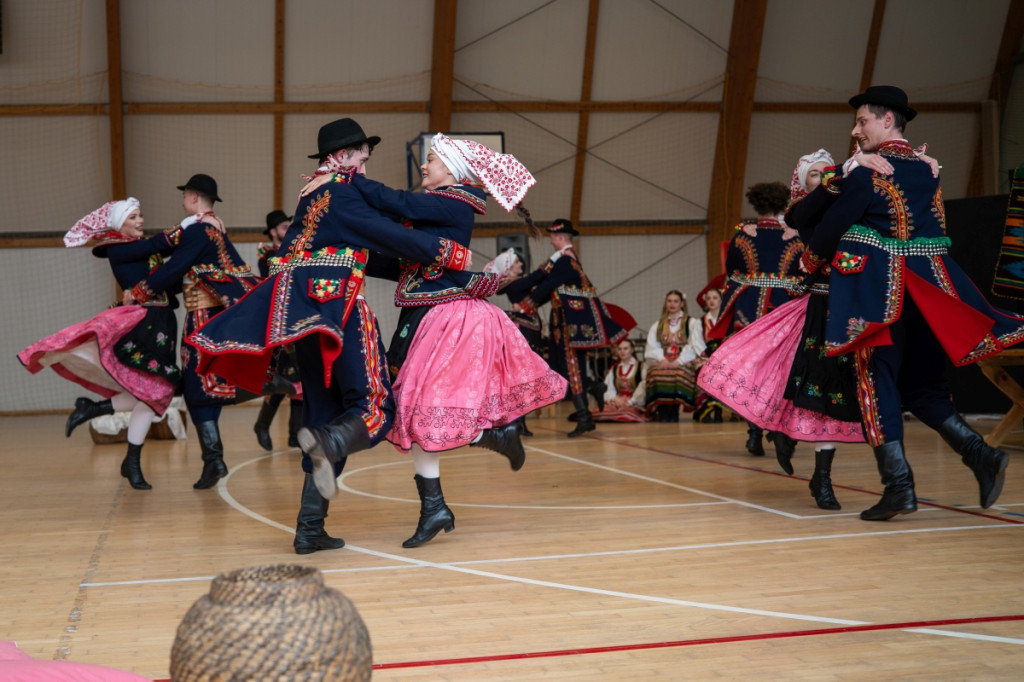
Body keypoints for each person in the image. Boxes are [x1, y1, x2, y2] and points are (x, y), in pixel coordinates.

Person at [185, 118, 480, 554]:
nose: (365, 165)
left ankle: (310, 528)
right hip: (337, 310)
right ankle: (328, 446)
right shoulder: (339, 191)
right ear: (343, 156)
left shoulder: (312, 195)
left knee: (325, 412)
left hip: (305, 320)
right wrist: (451, 253)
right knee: (375, 407)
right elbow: (387, 233)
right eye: (362, 157)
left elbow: (365, 244)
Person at [321, 133, 567, 547]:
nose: (424, 164)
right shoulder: (438, 208)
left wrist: (344, 179)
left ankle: (454, 482)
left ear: (452, 170)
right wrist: (350, 252)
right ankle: (441, 498)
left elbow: (398, 202)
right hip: (426, 315)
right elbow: (402, 262)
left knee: (420, 412)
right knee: (412, 413)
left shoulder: (453, 202)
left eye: (432, 159)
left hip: (450, 320)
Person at [795, 85, 1021, 520]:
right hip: (929, 296)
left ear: (887, 120)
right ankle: (981, 454)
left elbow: (815, 222)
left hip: (880, 300)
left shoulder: (866, 172)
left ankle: (898, 487)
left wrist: (810, 260)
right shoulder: (927, 170)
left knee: (876, 384)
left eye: (862, 121)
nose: (855, 131)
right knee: (922, 386)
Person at [19, 199, 183, 489]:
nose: (140, 221)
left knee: (152, 393)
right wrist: (190, 227)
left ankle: (96, 415)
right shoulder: (118, 249)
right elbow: (159, 245)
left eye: (140, 215)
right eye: (133, 217)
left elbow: (166, 271)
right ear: (119, 223)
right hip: (143, 325)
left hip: (162, 323)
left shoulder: (142, 248)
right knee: (155, 392)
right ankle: (129, 459)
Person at [123, 174, 260, 490]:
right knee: (202, 388)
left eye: (185, 195)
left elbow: (173, 268)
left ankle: (214, 458)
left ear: (194, 196)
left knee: (198, 387)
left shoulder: (199, 230)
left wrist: (139, 292)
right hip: (214, 317)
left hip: (203, 319)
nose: (183, 200)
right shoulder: (213, 228)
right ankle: (214, 460)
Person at [709, 182, 803, 461]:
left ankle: (754, 432)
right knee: (783, 372)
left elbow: (732, 272)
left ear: (756, 205)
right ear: (782, 205)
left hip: (749, 310)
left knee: (753, 373)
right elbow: (805, 272)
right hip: (785, 310)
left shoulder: (742, 235)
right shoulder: (796, 237)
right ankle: (781, 430)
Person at [514, 219, 628, 437]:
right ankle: (592, 393)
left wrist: (526, 304)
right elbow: (551, 289)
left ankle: (585, 414)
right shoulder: (570, 260)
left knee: (572, 367)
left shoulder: (565, 261)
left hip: (568, 321)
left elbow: (547, 285)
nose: (550, 241)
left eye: (552, 237)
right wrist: (531, 303)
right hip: (567, 320)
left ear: (559, 237)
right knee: (568, 367)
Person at [252, 209, 303, 451]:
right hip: (278, 324)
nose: (288, 229)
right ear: (273, 232)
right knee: (281, 377)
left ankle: (295, 435)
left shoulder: (295, 251)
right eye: (284, 227)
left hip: (297, 320)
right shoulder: (268, 257)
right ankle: (262, 424)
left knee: (300, 379)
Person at [643, 290, 706, 422]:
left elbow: (694, 344)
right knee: (654, 373)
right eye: (669, 301)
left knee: (679, 373)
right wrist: (662, 359)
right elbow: (652, 345)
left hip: (684, 360)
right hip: (664, 360)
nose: (672, 304)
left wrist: (679, 360)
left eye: (675, 301)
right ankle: (662, 410)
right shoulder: (658, 324)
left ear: (682, 303)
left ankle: (674, 411)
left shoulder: (691, 322)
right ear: (666, 303)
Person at [591, 338, 647, 422]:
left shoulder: (641, 366)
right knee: (601, 412)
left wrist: (631, 401)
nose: (622, 352)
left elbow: (644, 385)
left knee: (627, 413)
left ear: (632, 350)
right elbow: (608, 387)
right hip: (618, 401)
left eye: (625, 348)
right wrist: (614, 399)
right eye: (619, 349)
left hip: (635, 402)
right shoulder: (614, 369)